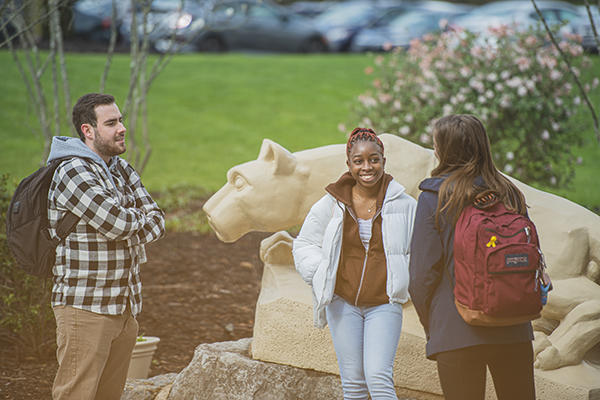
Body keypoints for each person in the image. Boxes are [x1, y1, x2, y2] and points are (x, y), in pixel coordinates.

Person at [408, 114, 536, 400]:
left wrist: (433, 324)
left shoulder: (434, 197)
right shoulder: (509, 193)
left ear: (445, 150)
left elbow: (420, 275)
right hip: (514, 325)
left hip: (455, 328)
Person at [47, 93, 165, 399]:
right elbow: (118, 224)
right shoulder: (72, 171)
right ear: (88, 130)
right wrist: (135, 218)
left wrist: (131, 219)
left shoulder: (121, 170)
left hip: (124, 311)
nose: (122, 128)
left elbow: (158, 221)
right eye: (111, 123)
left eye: (121, 120)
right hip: (85, 307)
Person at [293, 127, 416, 400]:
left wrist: (406, 281)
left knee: (378, 377)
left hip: (384, 304)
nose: (367, 167)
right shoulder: (332, 203)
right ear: (349, 164)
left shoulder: (405, 205)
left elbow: (420, 252)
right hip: (343, 303)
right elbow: (304, 244)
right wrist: (324, 273)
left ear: (384, 160)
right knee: (354, 384)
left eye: (374, 159)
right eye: (358, 161)